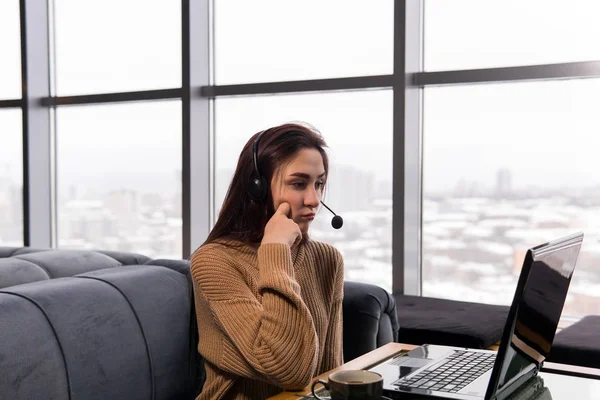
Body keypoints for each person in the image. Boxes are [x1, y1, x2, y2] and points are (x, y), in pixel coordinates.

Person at [190, 122, 344, 399]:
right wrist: (275, 250)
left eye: (319, 184)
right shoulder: (214, 262)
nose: (314, 199)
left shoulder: (327, 259)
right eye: (299, 184)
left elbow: (329, 371)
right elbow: (289, 370)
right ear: (256, 188)